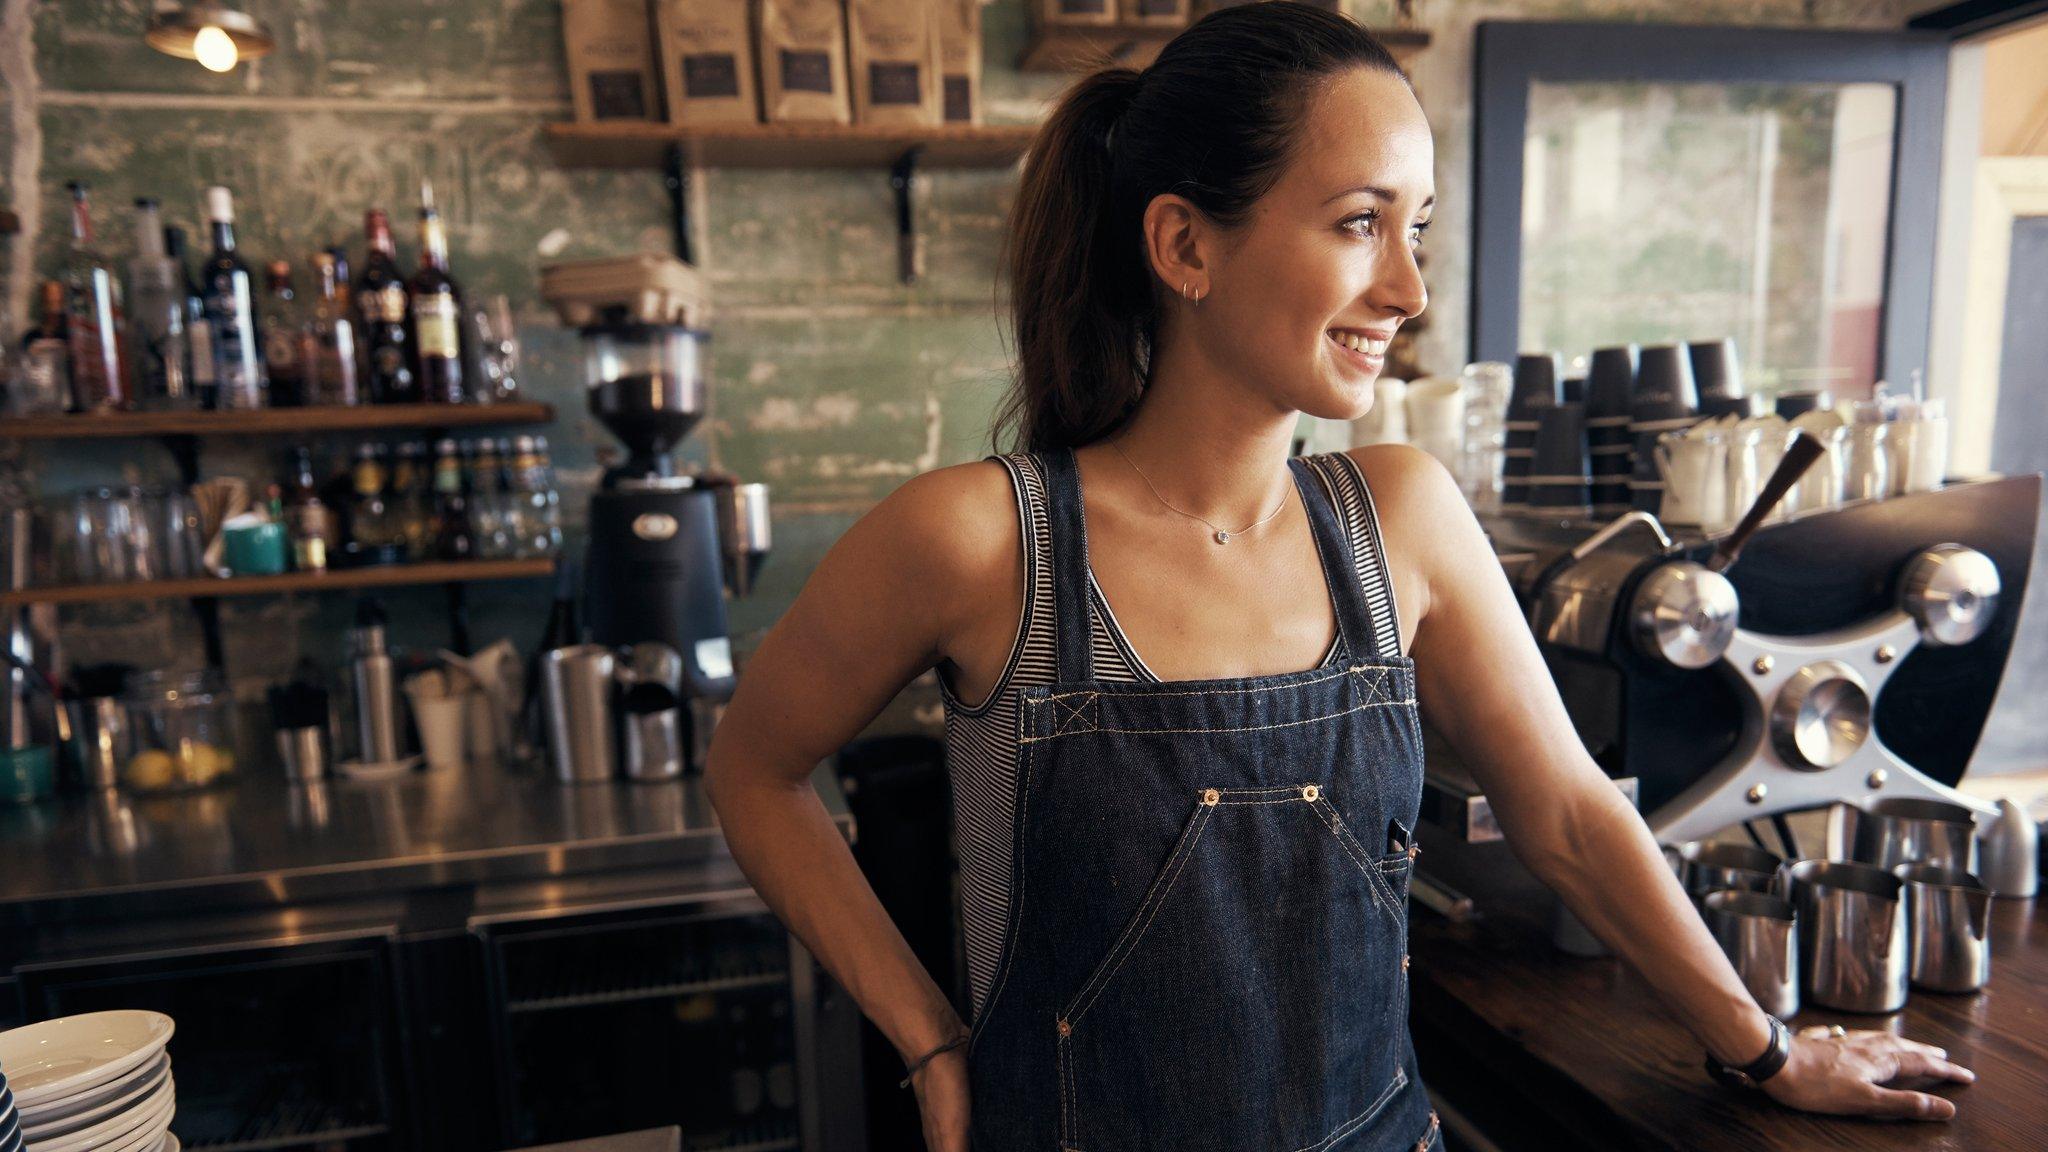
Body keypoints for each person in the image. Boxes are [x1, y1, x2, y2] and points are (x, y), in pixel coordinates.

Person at [704, 5, 1977, 1150]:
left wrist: (1765, 1050)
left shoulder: (1399, 517)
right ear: (1183, 247)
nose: (1408, 288)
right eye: (1358, 223)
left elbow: (1572, 818)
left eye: (1413, 228)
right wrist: (928, 1041)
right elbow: (752, 770)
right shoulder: (983, 540)